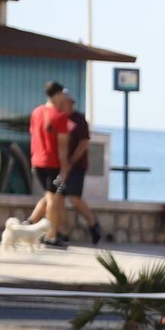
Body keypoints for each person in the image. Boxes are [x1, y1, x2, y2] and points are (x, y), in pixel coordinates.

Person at [25, 81, 74, 250]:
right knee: (52, 199)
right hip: (51, 162)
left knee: (51, 197)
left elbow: (33, 136)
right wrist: (65, 167)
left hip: (37, 161)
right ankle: (50, 236)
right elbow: (62, 147)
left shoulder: (36, 112)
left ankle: (34, 225)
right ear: (58, 94)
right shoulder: (60, 117)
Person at [59, 92, 102, 245]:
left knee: (74, 197)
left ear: (70, 102)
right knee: (58, 198)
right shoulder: (60, 118)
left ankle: (93, 224)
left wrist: (72, 160)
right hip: (61, 165)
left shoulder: (79, 120)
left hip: (76, 165)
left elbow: (84, 143)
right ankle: (62, 232)